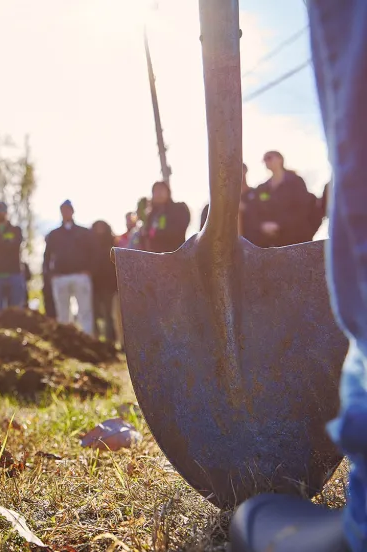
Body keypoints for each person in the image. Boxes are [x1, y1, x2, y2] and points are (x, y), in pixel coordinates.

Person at [230, 4, 367, 551]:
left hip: (292, 252)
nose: (267, 165)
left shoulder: (294, 186)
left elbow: (310, 210)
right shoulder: (260, 190)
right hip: (265, 258)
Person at [43, 200, 96, 335]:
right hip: (61, 277)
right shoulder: (54, 234)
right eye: (63, 210)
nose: (66, 212)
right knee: (63, 313)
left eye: (68, 209)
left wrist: (89, 270)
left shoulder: (84, 232)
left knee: (85, 311)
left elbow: (93, 252)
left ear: (72, 211)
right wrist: (51, 274)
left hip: (80, 275)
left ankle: (87, 338)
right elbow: (47, 256)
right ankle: (65, 341)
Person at [247, 151, 317, 248]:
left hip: (296, 240)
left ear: (280, 159)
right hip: (271, 242)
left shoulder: (295, 182)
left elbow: (302, 208)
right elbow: (256, 209)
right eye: (264, 160)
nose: (266, 161)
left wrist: (280, 225)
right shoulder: (263, 188)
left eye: (269, 158)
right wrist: (262, 226)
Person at [0, 201, 26, 315]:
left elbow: (15, 245)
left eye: (2, 211)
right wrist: (6, 243)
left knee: (16, 312)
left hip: (14, 275)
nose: (0, 214)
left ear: (6, 213)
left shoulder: (16, 230)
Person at [200, 163, 261, 243]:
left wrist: (246, 208)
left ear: (245, 171)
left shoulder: (257, 195)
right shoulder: (212, 206)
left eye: (239, 170)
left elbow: (265, 218)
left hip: (254, 245)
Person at [90, 220, 119, 345]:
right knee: (94, 313)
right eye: (97, 227)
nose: (100, 230)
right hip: (94, 284)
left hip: (109, 285)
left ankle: (110, 341)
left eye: (102, 227)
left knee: (109, 314)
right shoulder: (90, 245)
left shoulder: (113, 244)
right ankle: (94, 340)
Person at [143, 181, 191, 253]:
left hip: (175, 255)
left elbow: (178, 230)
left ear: (168, 192)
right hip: (155, 258)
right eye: (155, 190)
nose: (158, 193)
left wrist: (156, 234)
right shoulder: (151, 215)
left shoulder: (179, 208)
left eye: (161, 189)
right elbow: (147, 235)